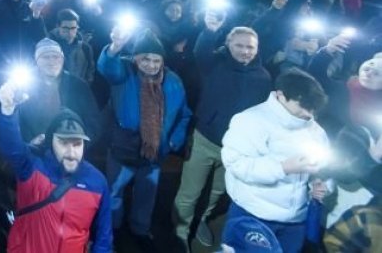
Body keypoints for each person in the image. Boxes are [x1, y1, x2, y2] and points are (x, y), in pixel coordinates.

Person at [173, 22, 272, 249]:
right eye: (239, 45)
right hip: (205, 140)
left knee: (217, 192)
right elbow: (200, 51)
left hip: (237, 148)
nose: (245, 51)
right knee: (190, 193)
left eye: (250, 47)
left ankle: (201, 220)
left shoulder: (264, 77)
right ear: (228, 45)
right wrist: (209, 31)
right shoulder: (214, 64)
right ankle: (180, 232)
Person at [97, 27, 192, 250]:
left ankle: (140, 229)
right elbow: (107, 67)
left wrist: (173, 141)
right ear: (136, 59)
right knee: (114, 191)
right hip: (123, 147)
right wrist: (115, 47)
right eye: (145, 59)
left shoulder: (173, 81)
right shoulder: (124, 72)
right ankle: (114, 227)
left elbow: (184, 114)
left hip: (155, 151)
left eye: (156, 60)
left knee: (146, 194)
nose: (151, 64)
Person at [221, 68, 332, 253]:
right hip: (254, 214)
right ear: (281, 95)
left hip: (295, 220)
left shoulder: (315, 131)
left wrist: (318, 183)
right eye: (303, 105)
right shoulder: (250, 120)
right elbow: (236, 164)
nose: (308, 113)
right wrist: (283, 168)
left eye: (312, 107)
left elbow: (323, 167)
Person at [0, 75, 111, 253]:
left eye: (77, 144)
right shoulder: (32, 167)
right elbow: (11, 148)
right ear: (51, 143)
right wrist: (7, 110)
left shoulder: (97, 182)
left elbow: (104, 238)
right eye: (63, 143)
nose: (71, 152)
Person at [19, 38, 101, 146]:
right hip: (34, 150)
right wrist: (28, 143)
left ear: (62, 59)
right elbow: (17, 120)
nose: (51, 61)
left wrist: (77, 146)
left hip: (70, 151)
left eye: (56, 56)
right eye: (45, 57)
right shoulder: (24, 87)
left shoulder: (78, 86)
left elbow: (93, 123)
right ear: (36, 61)